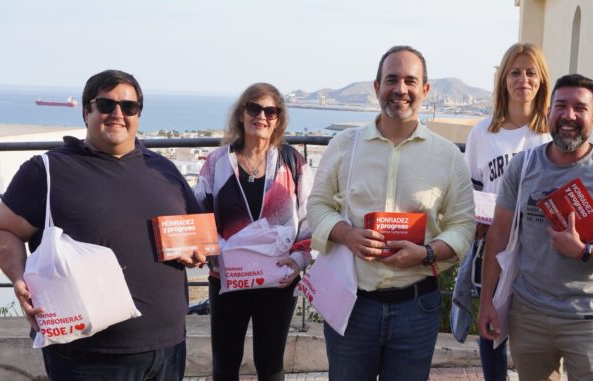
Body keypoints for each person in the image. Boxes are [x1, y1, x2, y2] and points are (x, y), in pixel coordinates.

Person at [0, 69, 205, 380]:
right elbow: (4, 230)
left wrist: (197, 251)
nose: (117, 114)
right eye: (105, 105)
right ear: (86, 111)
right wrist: (18, 277)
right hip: (86, 355)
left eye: (129, 107)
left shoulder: (164, 170)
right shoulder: (47, 171)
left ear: (138, 114)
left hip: (168, 347)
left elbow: (196, 232)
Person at [307, 45, 475, 381]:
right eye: (391, 80)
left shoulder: (447, 156)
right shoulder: (344, 145)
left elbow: (463, 226)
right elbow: (317, 206)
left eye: (410, 81)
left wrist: (426, 253)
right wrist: (347, 235)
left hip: (417, 307)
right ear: (377, 87)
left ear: (425, 90)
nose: (401, 89)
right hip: (352, 304)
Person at [477, 74, 593, 381]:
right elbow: (498, 237)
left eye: (579, 108)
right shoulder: (522, 166)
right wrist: (487, 303)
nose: (568, 116)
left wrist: (586, 250)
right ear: (548, 113)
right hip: (528, 314)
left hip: (587, 318)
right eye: (560, 106)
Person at [195, 83, 313, 381]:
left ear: (278, 118)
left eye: (270, 111)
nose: (262, 116)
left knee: (271, 364)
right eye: (254, 108)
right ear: (241, 113)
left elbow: (310, 217)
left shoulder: (292, 162)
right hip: (227, 278)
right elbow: (200, 211)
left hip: (278, 280)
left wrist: (300, 261)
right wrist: (211, 257)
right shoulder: (218, 162)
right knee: (225, 363)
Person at [452, 42, 552, 381]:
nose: (523, 79)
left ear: (541, 81)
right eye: (515, 72)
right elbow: (472, 189)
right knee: (491, 327)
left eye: (530, 72)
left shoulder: (549, 133)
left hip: (539, 248)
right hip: (493, 245)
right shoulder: (483, 132)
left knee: (536, 331)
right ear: (503, 80)